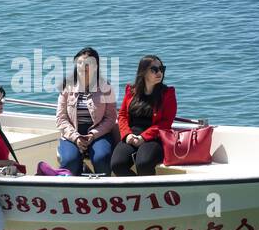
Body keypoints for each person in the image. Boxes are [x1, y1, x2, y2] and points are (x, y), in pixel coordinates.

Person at [111, 55, 177, 176]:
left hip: (155, 137)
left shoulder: (167, 94)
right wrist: (127, 135)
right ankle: (134, 191)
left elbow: (166, 123)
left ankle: (149, 193)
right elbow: (122, 115)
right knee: (117, 164)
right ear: (144, 71)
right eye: (155, 69)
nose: (159, 72)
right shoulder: (131, 91)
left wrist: (143, 137)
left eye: (162, 69)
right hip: (132, 134)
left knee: (143, 163)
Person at [56, 46, 117, 175]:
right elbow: (61, 118)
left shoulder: (106, 87)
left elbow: (111, 118)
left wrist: (93, 134)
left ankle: (103, 189)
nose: (83, 67)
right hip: (72, 134)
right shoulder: (66, 87)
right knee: (69, 161)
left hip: (99, 134)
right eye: (80, 63)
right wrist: (76, 137)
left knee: (102, 158)